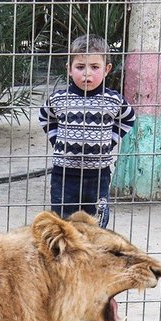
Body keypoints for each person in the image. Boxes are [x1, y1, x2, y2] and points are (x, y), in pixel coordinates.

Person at [38, 34, 136, 228]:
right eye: (80, 67)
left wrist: (109, 141)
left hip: (98, 175)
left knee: (96, 225)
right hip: (64, 175)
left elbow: (128, 118)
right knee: (63, 225)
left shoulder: (113, 100)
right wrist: (59, 141)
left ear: (107, 69)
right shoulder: (59, 99)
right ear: (69, 69)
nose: (87, 74)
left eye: (95, 67)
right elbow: (45, 117)